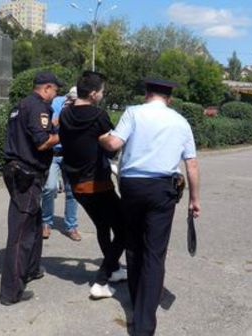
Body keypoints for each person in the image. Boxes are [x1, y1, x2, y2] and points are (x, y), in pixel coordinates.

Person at [99, 78, 201, 335]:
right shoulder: (181, 121)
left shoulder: (133, 112)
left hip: (132, 186)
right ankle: (145, 322)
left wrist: (100, 136)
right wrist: (194, 200)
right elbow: (192, 165)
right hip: (162, 189)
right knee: (155, 253)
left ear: (147, 94)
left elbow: (113, 144)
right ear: (170, 98)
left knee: (133, 246)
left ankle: (136, 300)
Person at [59, 71, 127, 299]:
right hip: (97, 183)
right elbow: (112, 145)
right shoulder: (98, 115)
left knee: (102, 226)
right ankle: (101, 281)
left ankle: (115, 269)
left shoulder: (65, 113)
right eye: (102, 91)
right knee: (125, 229)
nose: (103, 95)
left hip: (75, 183)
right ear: (94, 93)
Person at [0, 71, 62, 306]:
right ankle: (10, 292)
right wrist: (60, 134)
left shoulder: (21, 105)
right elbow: (42, 141)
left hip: (18, 169)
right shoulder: (38, 107)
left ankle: (32, 268)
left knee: (34, 224)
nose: (55, 95)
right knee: (21, 233)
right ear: (46, 88)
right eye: (55, 90)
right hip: (27, 174)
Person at [41, 86, 81, 241]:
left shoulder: (83, 107)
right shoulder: (56, 103)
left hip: (71, 154)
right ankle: (46, 222)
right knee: (49, 187)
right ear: (68, 97)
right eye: (72, 100)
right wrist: (62, 114)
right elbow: (47, 126)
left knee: (72, 192)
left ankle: (71, 226)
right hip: (54, 152)